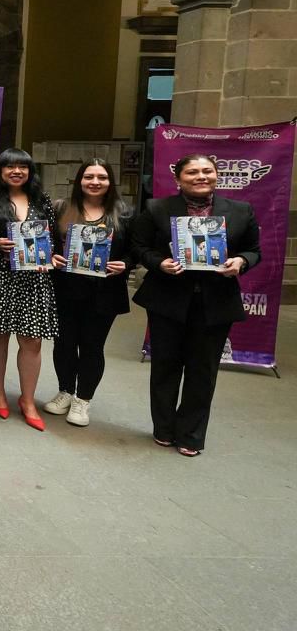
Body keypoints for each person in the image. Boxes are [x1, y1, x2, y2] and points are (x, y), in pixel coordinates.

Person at [130, 153, 261, 457]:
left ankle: (191, 434)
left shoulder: (240, 211)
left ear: (216, 175)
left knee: (203, 370)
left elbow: (254, 250)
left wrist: (241, 262)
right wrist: (159, 262)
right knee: (165, 366)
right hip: (167, 299)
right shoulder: (157, 208)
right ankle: (164, 428)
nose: (201, 176)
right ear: (178, 179)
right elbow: (139, 247)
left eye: (207, 171)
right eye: (192, 172)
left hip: (216, 301)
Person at [0, 148, 58, 431]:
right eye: (10, 166)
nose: (17, 171)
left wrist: (50, 256)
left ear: (30, 171)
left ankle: (28, 400)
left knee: (32, 341)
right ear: (0, 171)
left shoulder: (43, 201)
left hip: (34, 279)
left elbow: (52, 239)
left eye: (23, 166)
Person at [45, 159, 132, 427]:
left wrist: (126, 263)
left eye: (101, 177)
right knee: (64, 343)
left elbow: (136, 248)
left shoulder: (124, 213)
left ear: (110, 181)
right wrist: (51, 256)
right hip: (65, 289)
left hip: (104, 291)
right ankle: (65, 390)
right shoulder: (61, 208)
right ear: (79, 181)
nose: (95, 182)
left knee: (92, 345)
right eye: (89, 177)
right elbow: (47, 242)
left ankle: (83, 399)